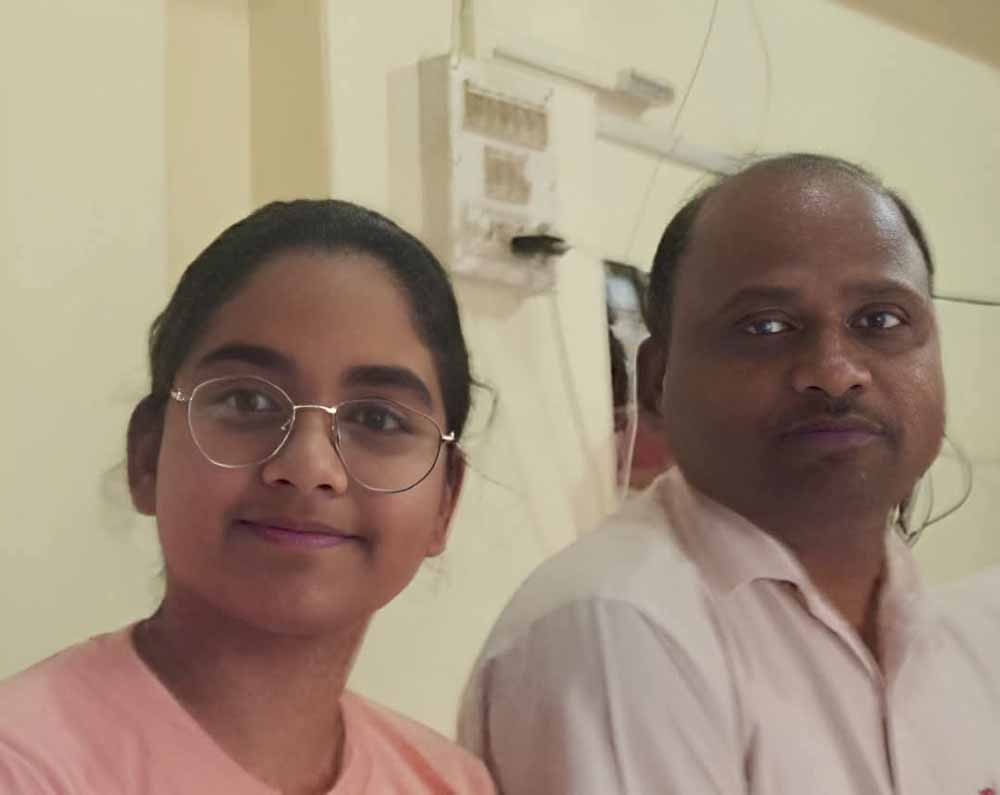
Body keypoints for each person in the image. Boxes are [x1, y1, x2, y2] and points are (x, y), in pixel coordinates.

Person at [458, 153, 1000, 793]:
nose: (835, 372)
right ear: (656, 382)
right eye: (765, 326)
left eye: (880, 320)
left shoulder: (966, 641)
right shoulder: (617, 630)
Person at [0, 200, 496, 794]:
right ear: (147, 455)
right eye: (248, 402)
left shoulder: (448, 782)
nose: (309, 467)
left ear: (446, 501)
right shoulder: (28, 767)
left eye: (376, 419)